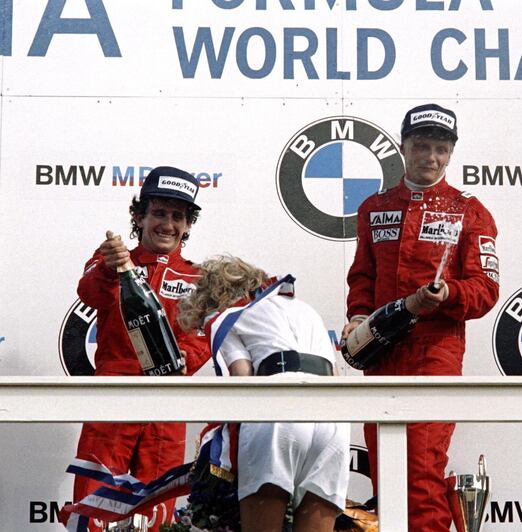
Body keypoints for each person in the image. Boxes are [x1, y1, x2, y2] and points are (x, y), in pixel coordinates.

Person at [343, 103, 500, 530]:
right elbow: (362, 277)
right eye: (420, 146)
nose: (430, 157)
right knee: (385, 474)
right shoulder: (374, 207)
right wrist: (357, 316)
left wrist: (449, 294)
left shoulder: (469, 210)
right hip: (379, 354)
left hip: (435, 355)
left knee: (423, 476)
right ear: (403, 147)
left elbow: (486, 290)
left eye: (440, 149)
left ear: (451, 154)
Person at [71, 166, 210, 532]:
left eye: (178, 216)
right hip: (113, 402)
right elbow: (88, 293)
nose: (168, 224)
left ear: (188, 224)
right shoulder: (112, 259)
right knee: (93, 510)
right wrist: (111, 267)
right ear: (139, 216)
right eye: (159, 213)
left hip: (166, 406)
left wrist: (182, 362)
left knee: (156, 518)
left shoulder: (199, 278)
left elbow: (203, 341)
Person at [178, 256, 350, 532]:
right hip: (332, 419)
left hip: (276, 410)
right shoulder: (306, 310)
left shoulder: (229, 314)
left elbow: (242, 377)